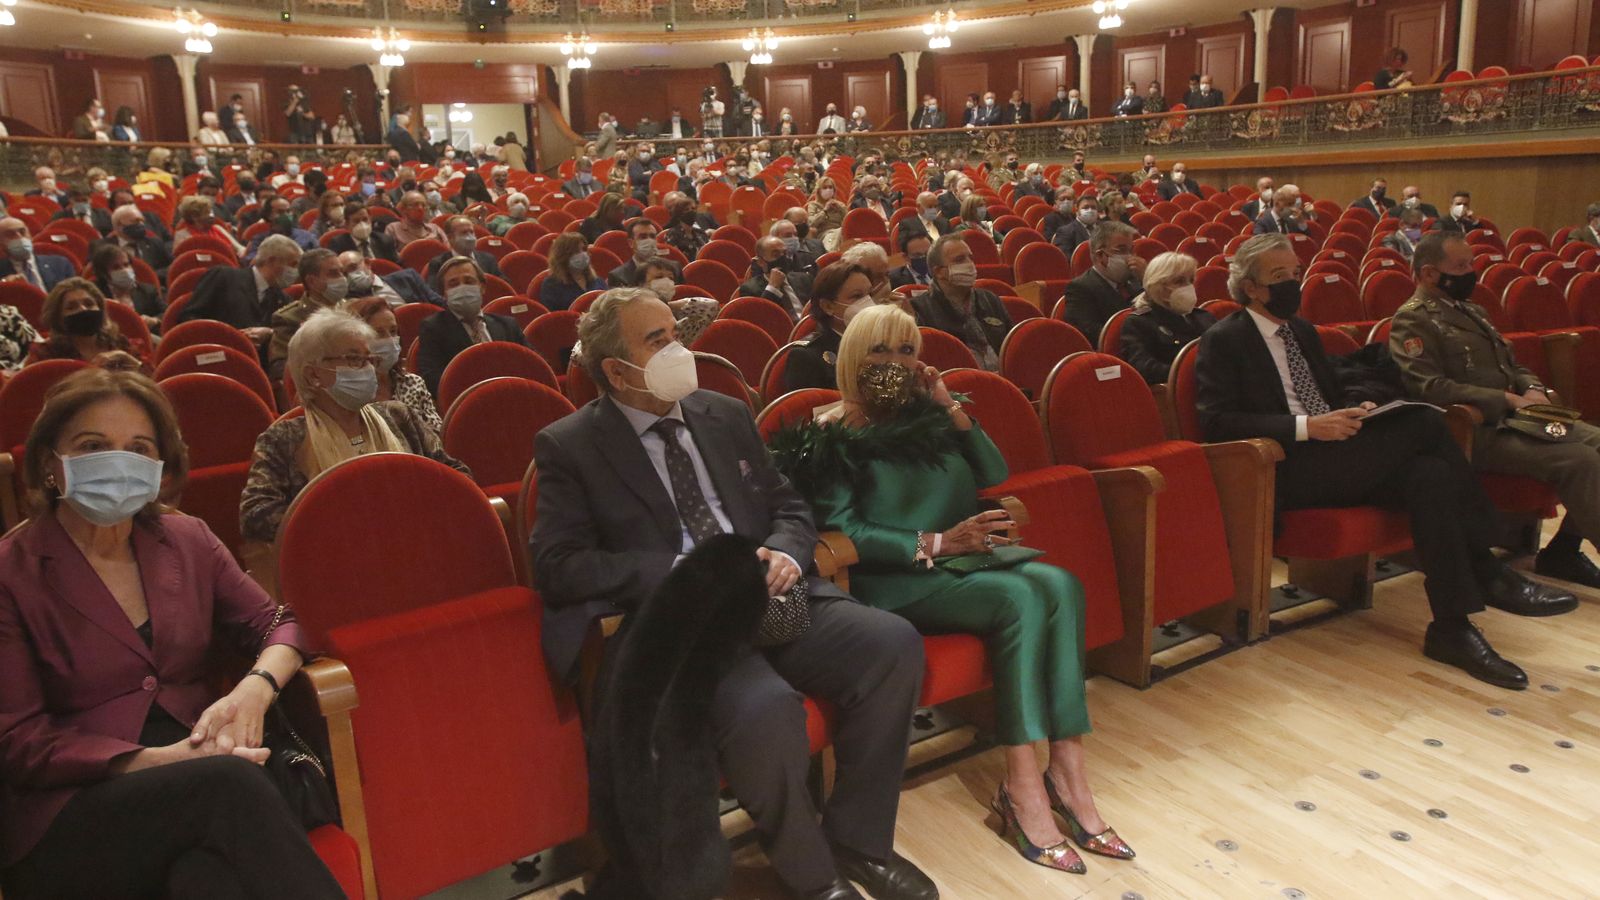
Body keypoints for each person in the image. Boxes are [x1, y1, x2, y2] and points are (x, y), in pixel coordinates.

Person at [530, 288, 932, 900]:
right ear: (615, 369)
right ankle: (814, 874)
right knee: (766, 711)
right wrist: (682, 570)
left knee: (892, 643)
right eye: (657, 340)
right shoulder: (570, 445)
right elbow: (559, 566)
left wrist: (788, 551)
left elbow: (788, 505)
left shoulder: (724, 411)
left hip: (773, 593)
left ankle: (858, 840)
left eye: (676, 333)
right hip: (689, 625)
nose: (678, 348)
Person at [775, 303, 1130, 878]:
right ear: (851, 358)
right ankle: (1020, 786)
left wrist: (950, 408)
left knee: (1061, 585)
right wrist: (940, 543)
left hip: (962, 563)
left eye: (908, 351)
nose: (895, 363)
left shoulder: (931, 415)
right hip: (894, 581)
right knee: (1022, 597)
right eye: (880, 351)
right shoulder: (829, 431)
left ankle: (1067, 769)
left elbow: (992, 470)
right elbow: (849, 532)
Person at [0, 368, 347, 898]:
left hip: (204, 784)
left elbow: (282, 624)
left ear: (158, 468)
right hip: (74, 807)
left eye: (138, 449)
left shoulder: (185, 538)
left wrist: (256, 688)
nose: (119, 462)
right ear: (52, 464)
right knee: (229, 785)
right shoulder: (12, 570)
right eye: (94, 445)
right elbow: (20, 743)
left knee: (206, 880)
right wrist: (167, 761)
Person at [1195, 233, 1575, 688]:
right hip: (1285, 466)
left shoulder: (1302, 332)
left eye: (1296, 273)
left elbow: (1329, 393)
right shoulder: (1224, 339)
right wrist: (1306, 428)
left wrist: (1357, 408)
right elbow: (1216, 424)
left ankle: (1451, 628)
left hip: (1337, 452)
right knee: (1427, 426)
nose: (1293, 283)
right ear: (1252, 287)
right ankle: (1487, 565)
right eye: (1280, 277)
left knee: (1429, 475)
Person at [1390, 231, 1600, 588]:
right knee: (1580, 460)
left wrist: (1532, 388)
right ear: (1428, 274)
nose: (1470, 272)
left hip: (1520, 420)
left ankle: (1563, 550)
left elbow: (1511, 366)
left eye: (1470, 263)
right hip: (1477, 430)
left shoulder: (1474, 311)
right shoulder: (1413, 320)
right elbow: (1428, 387)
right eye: (1460, 266)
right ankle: (1565, 550)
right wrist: (1505, 399)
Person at [241, 309, 466, 543]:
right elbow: (255, 515)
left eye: (370, 360)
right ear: (312, 375)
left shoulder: (399, 415)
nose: (369, 369)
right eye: (354, 359)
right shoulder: (283, 439)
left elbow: (457, 475)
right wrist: (350, 526)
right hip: (340, 561)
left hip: (419, 542)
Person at [414, 256, 529, 395]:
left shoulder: (507, 325)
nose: (462, 287)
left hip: (515, 394)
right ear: (444, 293)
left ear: (482, 287)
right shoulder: (433, 328)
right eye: (453, 284)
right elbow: (433, 379)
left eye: (469, 281)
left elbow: (534, 363)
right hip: (471, 402)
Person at [180, 234, 303, 352]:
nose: (295, 272)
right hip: (217, 356)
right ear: (271, 261)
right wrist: (230, 338)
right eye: (292, 265)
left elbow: (291, 334)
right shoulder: (224, 277)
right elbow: (189, 319)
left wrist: (270, 333)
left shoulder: (283, 299)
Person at [911, 235, 1011, 371]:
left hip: (1005, 380)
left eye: (970, 258)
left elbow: (1012, 349)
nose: (970, 264)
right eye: (960, 260)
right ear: (939, 272)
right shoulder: (920, 310)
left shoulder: (990, 299)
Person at [346, 297, 444, 432]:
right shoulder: (348, 392)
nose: (389, 340)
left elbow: (437, 437)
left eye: (393, 331)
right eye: (378, 333)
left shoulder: (413, 383)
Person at [1120, 252, 1215, 384]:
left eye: (1191, 280)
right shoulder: (1139, 323)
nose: (1188, 286)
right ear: (1159, 287)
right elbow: (1145, 369)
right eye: (1180, 281)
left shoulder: (1205, 317)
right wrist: (1196, 373)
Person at [784, 262, 874, 393]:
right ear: (828, 306)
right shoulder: (806, 357)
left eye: (869, 294)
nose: (868, 303)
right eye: (857, 296)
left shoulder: (884, 343)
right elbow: (810, 410)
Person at [27, 277, 149, 369]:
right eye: (71, 307)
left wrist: (131, 362)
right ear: (58, 318)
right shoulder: (45, 355)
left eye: (89, 304)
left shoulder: (122, 344)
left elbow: (153, 383)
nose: (83, 310)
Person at [266, 249, 348, 380]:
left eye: (342, 272)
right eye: (333, 273)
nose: (342, 279)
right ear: (311, 281)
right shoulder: (289, 318)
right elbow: (282, 369)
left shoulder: (355, 309)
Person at [1063, 222, 1146, 345]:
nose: (1129, 257)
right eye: (1122, 250)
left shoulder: (1135, 280)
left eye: (1131, 250)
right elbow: (1095, 336)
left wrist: (1148, 280)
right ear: (1101, 255)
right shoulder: (1080, 288)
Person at [90, 242, 165, 333]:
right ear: (103, 273)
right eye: (116, 267)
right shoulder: (94, 294)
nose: (124, 270)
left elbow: (166, 313)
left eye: (126, 265)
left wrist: (155, 320)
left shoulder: (147, 290)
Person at [741, 236, 814, 321]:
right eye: (776, 255)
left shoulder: (804, 278)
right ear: (761, 262)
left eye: (785, 253)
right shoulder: (749, 289)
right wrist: (772, 288)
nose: (783, 258)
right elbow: (759, 319)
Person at [338, 250, 440, 307]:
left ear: (367, 263)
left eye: (353, 267)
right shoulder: (351, 304)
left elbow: (438, 302)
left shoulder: (408, 277)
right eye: (345, 274)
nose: (351, 275)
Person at [425, 216, 504, 288]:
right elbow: (434, 291)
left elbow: (504, 285)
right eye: (464, 233)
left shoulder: (488, 259)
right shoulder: (438, 263)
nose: (470, 237)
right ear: (450, 238)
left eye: (471, 232)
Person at [1, 218, 74, 291]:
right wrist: (4, 286)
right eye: (10, 234)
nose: (19, 237)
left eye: (22, 232)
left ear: (30, 236)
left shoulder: (60, 264)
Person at [542, 233, 607, 312]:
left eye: (583, 249)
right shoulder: (551, 285)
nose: (582, 254)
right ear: (563, 256)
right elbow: (554, 319)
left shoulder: (597, 280)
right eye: (576, 251)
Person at [105, 204, 172, 276]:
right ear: (119, 225)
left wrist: (149, 276)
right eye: (136, 221)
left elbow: (169, 268)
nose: (141, 224)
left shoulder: (155, 243)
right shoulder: (103, 247)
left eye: (142, 221)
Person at [327, 204, 400, 263]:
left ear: (370, 219)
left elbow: (396, 267)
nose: (362, 224)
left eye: (365, 219)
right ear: (347, 224)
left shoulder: (384, 240)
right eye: (356, 221)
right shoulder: (338, 244)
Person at [607, 218, 660, 288]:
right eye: (643, 237)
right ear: (631, 243)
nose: (649, 240)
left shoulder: (671, 270)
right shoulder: (618, 276)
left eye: (652, 236)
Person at [1051, 194, 1099, 258]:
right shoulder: (1065, 231)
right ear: (1077, 209)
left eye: (1093, 207)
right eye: (1086, 207)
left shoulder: (1105, 228)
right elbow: (1065, 259)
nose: (1090, 210)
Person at [808, 178, 848, 249]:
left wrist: (840, 209)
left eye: (830, 187)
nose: (828, 190)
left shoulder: (840, 205)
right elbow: (811, 223)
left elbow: (848, 221)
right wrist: (825, 210)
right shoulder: (813, 205)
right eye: (825, 187)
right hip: (823, 234)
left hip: (839, 233)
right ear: (819, 191)